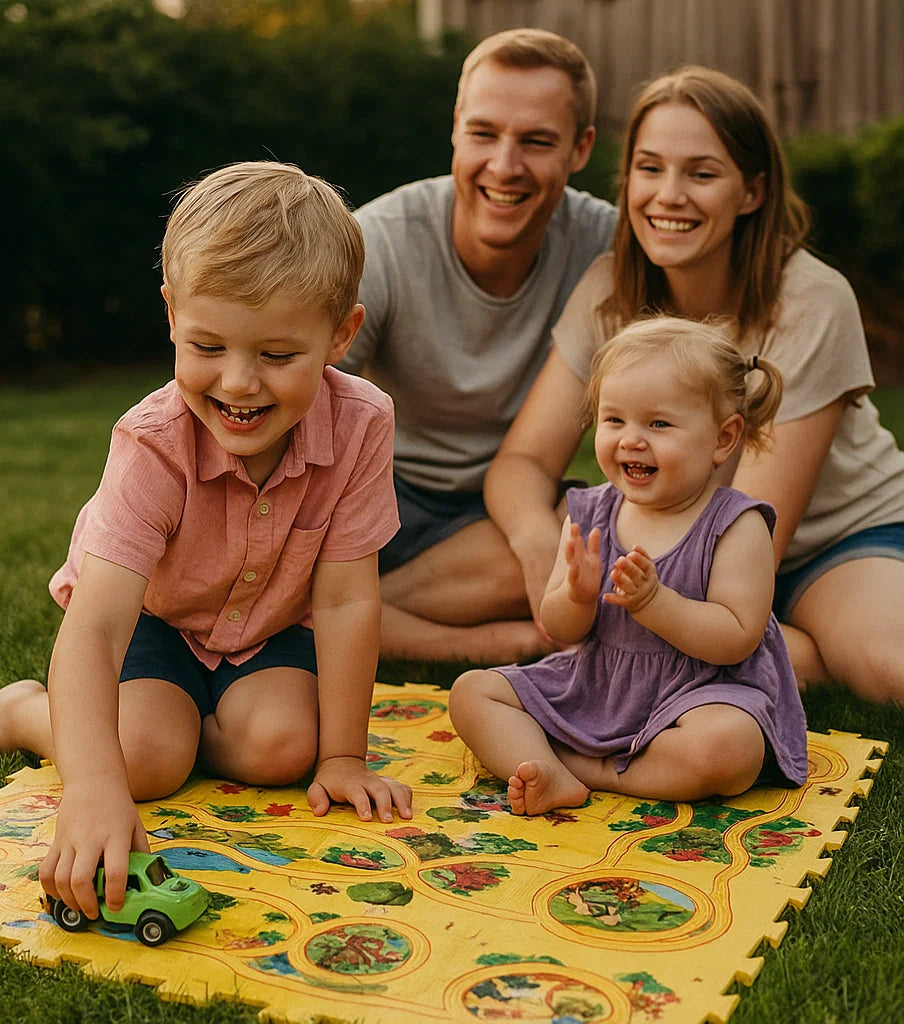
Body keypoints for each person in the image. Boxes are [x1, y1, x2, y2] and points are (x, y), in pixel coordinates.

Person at [0, 162, 414, 921]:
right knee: (142, 760)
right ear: (172, 315)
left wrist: (342, 756)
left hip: (267, 627)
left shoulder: (363, 423)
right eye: (208, 346)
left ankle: (194, 720)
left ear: (341, 334)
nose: (239, 383)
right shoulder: (152, 445)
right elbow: (97, 628)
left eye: (277, 356)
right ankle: (25, 713)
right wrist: (93, 788)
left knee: (285, 749)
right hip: (155, 619)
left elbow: (346, 599)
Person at [486, 66, 904, 703]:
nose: (668, 196)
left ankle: (792, 645)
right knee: (499, 559)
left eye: (701, 174)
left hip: (832, 541)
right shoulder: (608, 289)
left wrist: (610, 608)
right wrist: (545, 550)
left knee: (885, 667)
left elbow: (756, 531)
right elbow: (519, 463)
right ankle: (323, 615)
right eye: (650, 169)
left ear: (752, 192)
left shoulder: (812, 300)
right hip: (660, 535)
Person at [451, 318, 808, 814]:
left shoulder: (736, 524)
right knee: (472, 693)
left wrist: (655, 603)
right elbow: (560, 631)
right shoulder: (590, 511)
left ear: (723, 439)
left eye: (658, 424)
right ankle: (569, 768)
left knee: (728, 749)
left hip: (700, 693)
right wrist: (576, 595)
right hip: (597, 682)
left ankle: (578, 768)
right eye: (614, 420)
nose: (631, 440)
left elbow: (737, 635)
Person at [338, 28, 616, 663]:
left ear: (581, 149)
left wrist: (531, 534)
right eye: (485, 133)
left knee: (604, 532)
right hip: (385, 499)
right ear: (456, 129)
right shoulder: (379, 241)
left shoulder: (609, 248)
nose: (506, 166)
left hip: (513, 506)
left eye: (537, 141)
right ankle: (482, 639)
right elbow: (305, 402)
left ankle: (338, 616)